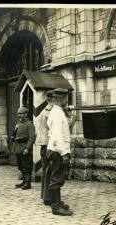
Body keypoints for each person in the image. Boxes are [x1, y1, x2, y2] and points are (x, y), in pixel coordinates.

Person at [45, 88, 75, 216]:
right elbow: (57, 136)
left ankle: (56, 202)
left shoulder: (56, 111)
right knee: (57, 178)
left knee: (56, 177)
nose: (67, 101)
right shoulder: (57, 114)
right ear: (61, 99)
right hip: (57, 150)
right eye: (66, 99)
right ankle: (56, 207)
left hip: (54, 149)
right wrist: (64, 154)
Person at [35, 90, 54, 200]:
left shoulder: (42, 111)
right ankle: (48, 196)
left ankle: (44, 194)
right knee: (49, 171)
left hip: (43, 144)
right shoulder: (50, 111)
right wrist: (72, 117)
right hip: (49, 145)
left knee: (45, 170)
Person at [11, 107, 36, 190]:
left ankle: (28, 182)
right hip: (18, 148)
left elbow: (32, 137)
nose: (19, 115)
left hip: (24, 148)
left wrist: (27, 148)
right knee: (20, 166)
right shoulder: (18, 124)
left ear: (26, 114)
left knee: (26, 165)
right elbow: (15, 135)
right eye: (18, 114)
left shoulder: (29, 124)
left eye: (21, 114)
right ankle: (24, 181)